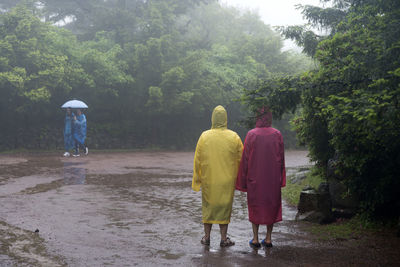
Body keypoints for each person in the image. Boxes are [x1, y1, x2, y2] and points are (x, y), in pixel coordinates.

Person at [192, 105, 243, 247]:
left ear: (213, 118)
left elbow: (198, 159)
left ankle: (207, 237)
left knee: (208, 207)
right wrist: (240, 179)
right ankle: (223, 238)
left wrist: (197, 179)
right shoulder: (234, 137)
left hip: (209, 179)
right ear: (226, 118)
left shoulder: (204, 136)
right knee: (224, 208)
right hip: (227, 180)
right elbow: (241, 159)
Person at [236, 107, 286, 249]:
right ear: (270, 117)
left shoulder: (251, 134)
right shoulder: (277, 134)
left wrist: (243, 180)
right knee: (271, 205)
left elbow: (245, 159)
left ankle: (256, 238)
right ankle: (269, 238)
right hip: (272, 178)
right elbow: (281, 158)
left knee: (255, 206)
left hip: (255, 178)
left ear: (257, 117)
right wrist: (281, 177)